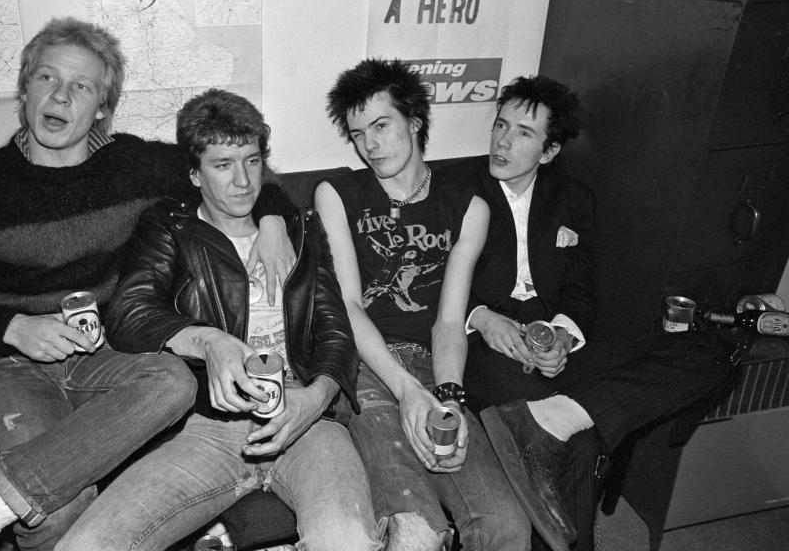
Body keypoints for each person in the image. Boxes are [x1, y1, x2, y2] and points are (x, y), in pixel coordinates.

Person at [0, 17, 296, 551]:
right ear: (25, 90)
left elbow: (238, 174)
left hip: (111, 351)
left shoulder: (135, 166)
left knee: (173, 381)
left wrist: (275, 218)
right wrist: (11, 327)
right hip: (12, 365)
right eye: (48, 79)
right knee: (57, 511)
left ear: (102, 108)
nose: (61, 96)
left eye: (82, 86)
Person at [54, 89, 380, 551]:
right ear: (194, 173)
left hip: (307, 419)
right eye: (223, 165)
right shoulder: (171, 227)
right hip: (211, 429)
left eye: (251, 161)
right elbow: (129, 311)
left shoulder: (299, 227)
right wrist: (208, 340)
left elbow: (334, 327)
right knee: (87, 544)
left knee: (346, 541)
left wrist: (317, 397)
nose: (243, 181)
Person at [461, 75, 736, 550]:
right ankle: (562, 426)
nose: (502, 141)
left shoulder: (573, 199)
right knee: (581, 445)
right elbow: (429, 282)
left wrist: (564, 335)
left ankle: (559, 414)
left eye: (523, 133)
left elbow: (582, 290)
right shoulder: (457, 189)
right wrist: (482, 317)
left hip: (553, 333)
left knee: (711, 354)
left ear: (548, 152)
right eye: (500, 126)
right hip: (488, 343)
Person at [314, 58, 536, 551]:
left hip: (437, 367)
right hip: (366, 369)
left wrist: (450, 397)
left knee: (505, 527)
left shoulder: (468, 208)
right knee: (416, 534)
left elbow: (451, 322)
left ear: (414, 121)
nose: (370, 144)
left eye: (381, 125)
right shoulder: (339, 193)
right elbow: (349, 305)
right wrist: (406, 389)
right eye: (357, 134)